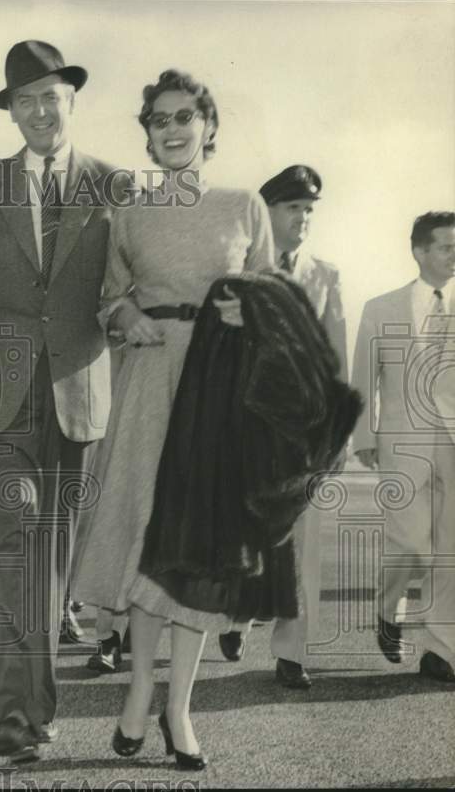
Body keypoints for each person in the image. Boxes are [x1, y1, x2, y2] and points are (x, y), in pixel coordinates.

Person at [71, 69, 275, 771]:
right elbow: (108, 299)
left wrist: (244, 315)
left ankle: (179, 709)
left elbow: (273, 303)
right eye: (160, 120)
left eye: (186, 115)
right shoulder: (128, 211)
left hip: (218, 389)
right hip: (151, 382)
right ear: (149, 137)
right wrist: (129, 319)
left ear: (209, 126)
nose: (174, 128)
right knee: (146, 540)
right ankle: (136, 697)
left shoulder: (245, 204)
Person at [0, 40, 118, 762]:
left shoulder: (111, 185)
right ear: (11, 112)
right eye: (25, 100)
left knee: (54, 557)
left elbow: (126, 288)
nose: (40, 110)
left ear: (71, 101)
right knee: (16, 544)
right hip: (3, 396)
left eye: (51, 96)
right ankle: (11, 711)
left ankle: (27, 705)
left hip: (79, 393)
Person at [217, 165, 348, 689]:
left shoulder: (325, 274)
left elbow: (334, 353)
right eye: (294, 208)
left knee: (303, 539)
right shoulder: (240, 273)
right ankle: (238, 614)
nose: (304, 219)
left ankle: (292, 652)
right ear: (267, 213)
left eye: (310, 209)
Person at [351, 211, 455, 682]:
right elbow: (362, 378)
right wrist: (365, 436)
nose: (454, 255)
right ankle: (387, 607)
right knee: (412, 546)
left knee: (450, 550)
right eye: (446, 246)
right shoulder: (381, 307)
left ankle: (439, 650)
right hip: (402, 443)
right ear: (419, 251)